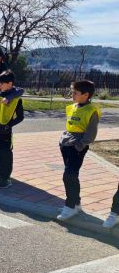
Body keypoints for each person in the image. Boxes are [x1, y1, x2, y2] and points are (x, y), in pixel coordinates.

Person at [57, 80, 100, 221]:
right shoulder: (71, 107)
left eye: (75, 92)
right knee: (71, 175)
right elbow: (70, 125)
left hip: (77, 147)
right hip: (66, 144)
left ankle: (69, 206)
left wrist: (80, 145)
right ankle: (76, 204)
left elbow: (91, 133)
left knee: (68, 175)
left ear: (86, 95)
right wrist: (62, 141)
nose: (72, 95)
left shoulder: (91, 111)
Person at [0, 71, 24, 188]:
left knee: (5, 156)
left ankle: (4, 178)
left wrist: (9, 125)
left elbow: (20, 117)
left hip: (5, 132)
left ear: (10, 83)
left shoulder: (16, 99)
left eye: (1, 83)